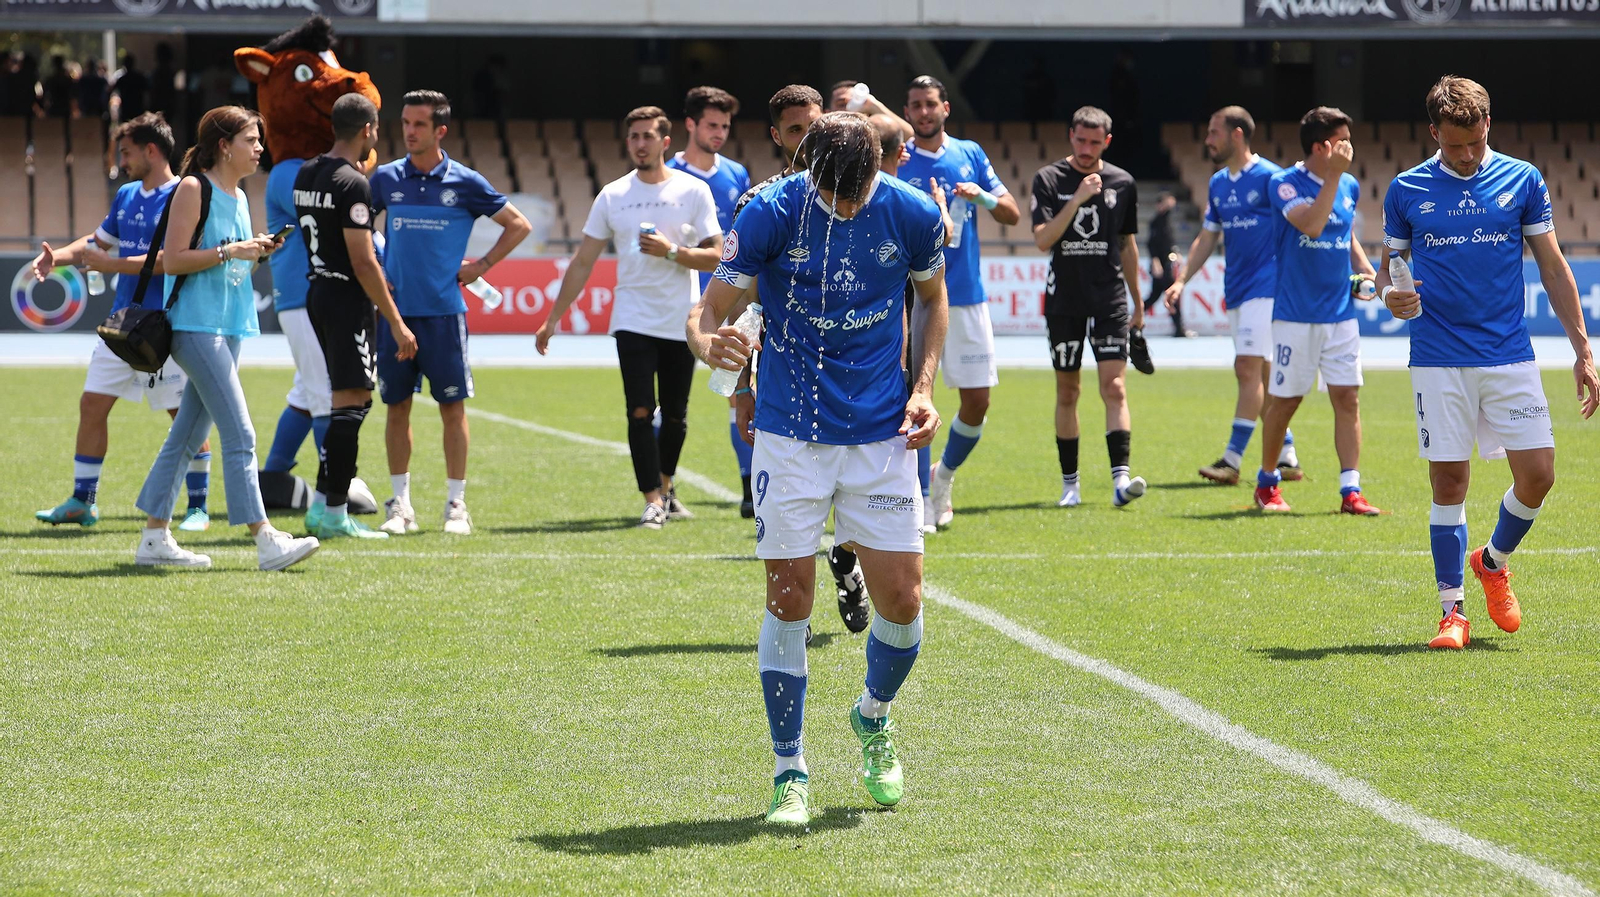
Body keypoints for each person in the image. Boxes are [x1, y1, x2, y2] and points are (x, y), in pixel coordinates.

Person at [687, 111, 948, 826]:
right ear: (810, 172)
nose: (846, 208)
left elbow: (931, 299)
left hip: (879, 432)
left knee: (903, 599)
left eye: (857, 195)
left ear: (878, 170)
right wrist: (710, 346)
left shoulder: (914, 213)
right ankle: (789, 770)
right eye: (833, 196)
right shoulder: (770, 211)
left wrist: (924, 386)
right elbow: (708, 312)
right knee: (789, 595)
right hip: (791, 435)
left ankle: (874, 716)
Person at [1377, 76, 1598, 650]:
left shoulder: (1522, 179)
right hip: (1437, 356)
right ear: (1434, 134)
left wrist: (1582, 349)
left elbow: (1552, 268)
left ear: (1488, 127)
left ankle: (1493, 561)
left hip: (1507, 354)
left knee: (1539, 474)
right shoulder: (1405, 190)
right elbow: (1390, 273)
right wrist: (1389, 297)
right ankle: (1453, 613)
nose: (1469, 155)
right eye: (1455, 146)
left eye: (1476, 141)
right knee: (1449, 481)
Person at [131, 105, 320, 571]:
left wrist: (257, 252)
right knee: (241, 433)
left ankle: (154, 537)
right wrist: (229, 250)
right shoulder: (193, 188)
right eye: (251, 140)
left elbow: (228, 264)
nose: (260, 149)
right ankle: (265, 538)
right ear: (224, 145)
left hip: (227, 325)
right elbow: (173, 261)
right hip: (196, 327)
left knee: (187, 435)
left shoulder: (237, 194)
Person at [536, 105, 723, 528]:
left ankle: (666, 484)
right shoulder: (613, 194)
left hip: (682, 320)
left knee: (676, 414)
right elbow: (583, 261)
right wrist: (553, 318)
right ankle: (652, 498)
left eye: (648, 136)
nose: (640, 144)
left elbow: (718, 253)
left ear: (665, 141)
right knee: (640, 411)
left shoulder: (693, 192)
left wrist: (673, 252)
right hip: (632, 319)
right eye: (634, 136)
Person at [32, 113, 213, 531]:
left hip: (167, 326)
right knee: (92, 404)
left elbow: (172, 260)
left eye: (127, 152)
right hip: (123, 324)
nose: (122, 160)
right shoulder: (128, 194)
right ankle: (83, 500)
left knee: (180, 414)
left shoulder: (183, 194)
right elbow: (98, 244)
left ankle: (198, 507)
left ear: (152, 150)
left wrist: (110, 263)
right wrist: (57, 257)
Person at [369, 89, 531, 536]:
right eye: (404, 122)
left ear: (440, 130)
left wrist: (481, 266)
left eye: (418, 124)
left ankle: (456, 505)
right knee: (396, 408)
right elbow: (358, 227)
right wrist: (378, 271)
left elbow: (518, 225)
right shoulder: (384, 179)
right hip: (396, 316)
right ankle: (400, 505)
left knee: (452, 409)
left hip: (444, 316)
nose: (409, 131)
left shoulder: (465, 182)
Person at [294, 93, 419, 539]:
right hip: (347, 299)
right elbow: (364, 261)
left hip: (317, 292)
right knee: (352, 403)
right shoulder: (354, 184)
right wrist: (397, 322)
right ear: (368, 130)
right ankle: (331, 514)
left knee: (347, 401)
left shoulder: (307, 172)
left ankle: (323, 507)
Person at [898, 74, 1018, 530]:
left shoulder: (970, 154)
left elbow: (1012, 213)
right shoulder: (899, 162)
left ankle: (942, 476)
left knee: (978, 401)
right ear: (907, 112)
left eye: (931, 103)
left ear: (945, 107)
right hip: (915, 298)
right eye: (915, 105)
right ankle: (921, 501)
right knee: (914, 397)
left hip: (965, 295)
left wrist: (984, 196)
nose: (924, 111)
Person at [1164, 106, 1303, 485]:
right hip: (1238, 289)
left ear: (1237, 134)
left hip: (1268, 287)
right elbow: (1208, 236)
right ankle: (1287, 454)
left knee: (1246, 369)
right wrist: (1182, 281)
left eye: (1213, 132)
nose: (1208, 140)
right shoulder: (1218, 183)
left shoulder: (1272, 178)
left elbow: (1302, 224)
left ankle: (1232, 459)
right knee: (1262, 374)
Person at [1255, 106, 1381, 516]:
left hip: (1340, 315)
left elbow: (1343, 235)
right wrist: (1331, 177)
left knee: (1348, 399)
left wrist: (1366, 273)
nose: (1350, 147)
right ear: (1320, 146)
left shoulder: (1348, 185)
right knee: (1286, 401)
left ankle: (1350, 491)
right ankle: (1267, 483)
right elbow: (1311, 224)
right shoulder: (1283, 184)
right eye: (1342, 139)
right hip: (1295, 315)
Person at [1030, 106, 1147, 509]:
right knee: (1069, 390)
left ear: (1107, 142)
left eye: (1095, 142)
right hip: (1064, 300)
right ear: (1070, 136)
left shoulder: (1123, 182)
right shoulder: (1049, 179)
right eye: (1080, 140)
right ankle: (1070, 485)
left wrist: (1137, 300)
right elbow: (1044, 239)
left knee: (1114, 386)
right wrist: (1079, 197)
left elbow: (1127, 244)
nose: (1086, 148)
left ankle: (1120, 481)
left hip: (1109, 298)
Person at [664, 86, 755, 515]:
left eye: (725, 126)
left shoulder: (736, 174)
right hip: (679, 299)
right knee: (670, 402)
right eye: (711, 125)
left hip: (728, 299)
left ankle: (748, 489)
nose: (719, 133)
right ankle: (664, 486)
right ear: (690, 125)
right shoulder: (666, 175)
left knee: (737, 390)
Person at [1146, 192, 1190, 336]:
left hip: (1166, 264)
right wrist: (1155, 262)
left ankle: (1178, 328)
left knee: (1156, 296)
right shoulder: (1156, 222)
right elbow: (1151, 245)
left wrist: (1175, 252)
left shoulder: (1167, 221)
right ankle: (1179, 329)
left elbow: (1169, 242)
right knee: (1168, 296)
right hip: (1161, 266)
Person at [828, 80, 913, 140]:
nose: (849, 110)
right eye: (842, 104)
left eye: (855, 104)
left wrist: (875, 106)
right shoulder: (822, 139)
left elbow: (910, 138)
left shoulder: (873, 139)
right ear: (827, 112)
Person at [110, 55, 148, 120]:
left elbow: (110, 90)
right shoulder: (140, 78)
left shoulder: (122, 79)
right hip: (138, 109)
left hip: (126, 111)